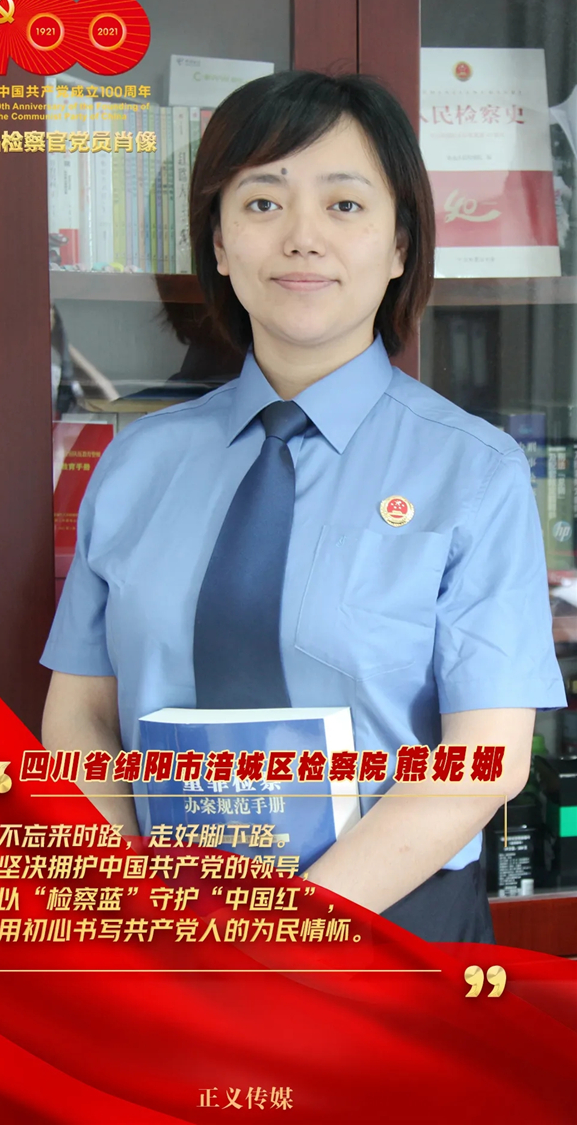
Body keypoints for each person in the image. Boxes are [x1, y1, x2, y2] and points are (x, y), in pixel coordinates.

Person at [40, 71, 566, 942]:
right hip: (169, 928)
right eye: (262, 203)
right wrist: (139, 903)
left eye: (345, 205)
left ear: (399, 246)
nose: (302, 237)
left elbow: (485, 760)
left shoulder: (474, 473)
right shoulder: (135, 464)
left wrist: (278, 929)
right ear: (218, 243)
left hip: (392, 925)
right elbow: (81, 715)